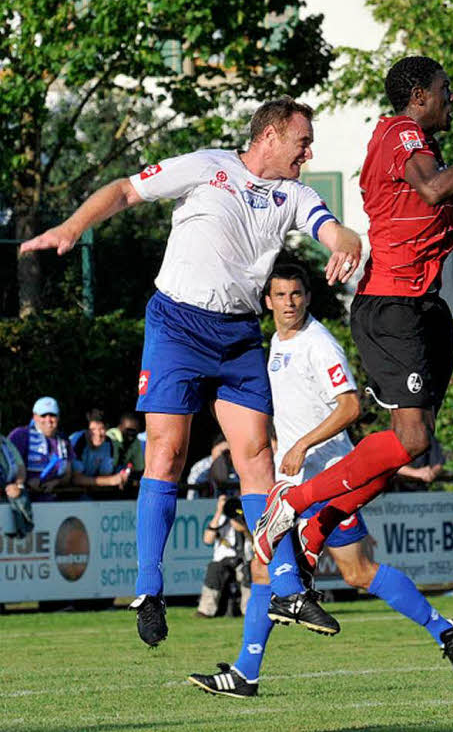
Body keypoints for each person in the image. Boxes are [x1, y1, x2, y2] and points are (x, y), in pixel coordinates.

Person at [19, 97, 362, 647]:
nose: (310, 151)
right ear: (270, 136)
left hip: (239, 334)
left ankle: (287, 586)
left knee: (258, 458)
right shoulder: (207, 166)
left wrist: (345, 237)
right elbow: (126, 189)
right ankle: (149, 589)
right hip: (177, 326)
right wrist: (72, 225)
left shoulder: (296, 193)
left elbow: (328, 227)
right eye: (303, 140)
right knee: (166, 451)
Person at [251, 57, 453, 574]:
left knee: (409, 444)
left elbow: (426, 202)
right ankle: (293, 504)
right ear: (419, 97)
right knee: (413, 439)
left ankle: (319, 524)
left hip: (425, 305)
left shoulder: (421, 145)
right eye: (445, 89)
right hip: (392, 306)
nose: (452, 97)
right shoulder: (401, 132)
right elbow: (432, 188)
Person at [188, 263, 453, 697]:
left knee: (345, 571)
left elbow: (350, 407)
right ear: (268, 302)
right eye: (281, 296)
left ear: (308, 297)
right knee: (281, 569)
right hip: (295, 481)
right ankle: (246, 672)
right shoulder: (275, 345)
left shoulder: (319, 344)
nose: (289, 303)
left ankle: (445, 629)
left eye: (297, 295)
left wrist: (301, 445)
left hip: (328, 479)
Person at [196, 495, 252, 618]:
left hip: (243, 561)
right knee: (214, 569)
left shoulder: (248, 518)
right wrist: (220, 511)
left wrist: (244, 530)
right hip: (222, 560)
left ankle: (249, 610)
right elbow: (207, 539)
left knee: (248, 571)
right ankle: (205, 610)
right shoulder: (220, 520)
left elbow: (255, 543)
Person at [7, 397, 72, 500]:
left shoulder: (63, 440)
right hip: (22, 498)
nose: (48, 420)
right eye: (43, 415)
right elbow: (9, 467)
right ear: (35, 417)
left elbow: (68, 473)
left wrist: (55, 482)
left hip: (55, 498)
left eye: (52, 415)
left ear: (58, 417)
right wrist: (26, 481)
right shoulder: (20, 435)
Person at [69, 409, 131, 495]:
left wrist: (121, 477)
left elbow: (106, 474)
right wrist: (110, 481)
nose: (98, 434)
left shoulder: (109, 443)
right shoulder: (77, 442)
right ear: (86, 430)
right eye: (93, 429)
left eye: (102, 428)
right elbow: (76, 479)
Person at [186, 434, 229, 499]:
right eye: (224, 452)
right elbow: (192, 497)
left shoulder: (236, 466)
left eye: (230, 452)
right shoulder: (202, 467)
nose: (227, 456)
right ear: (213, 450)